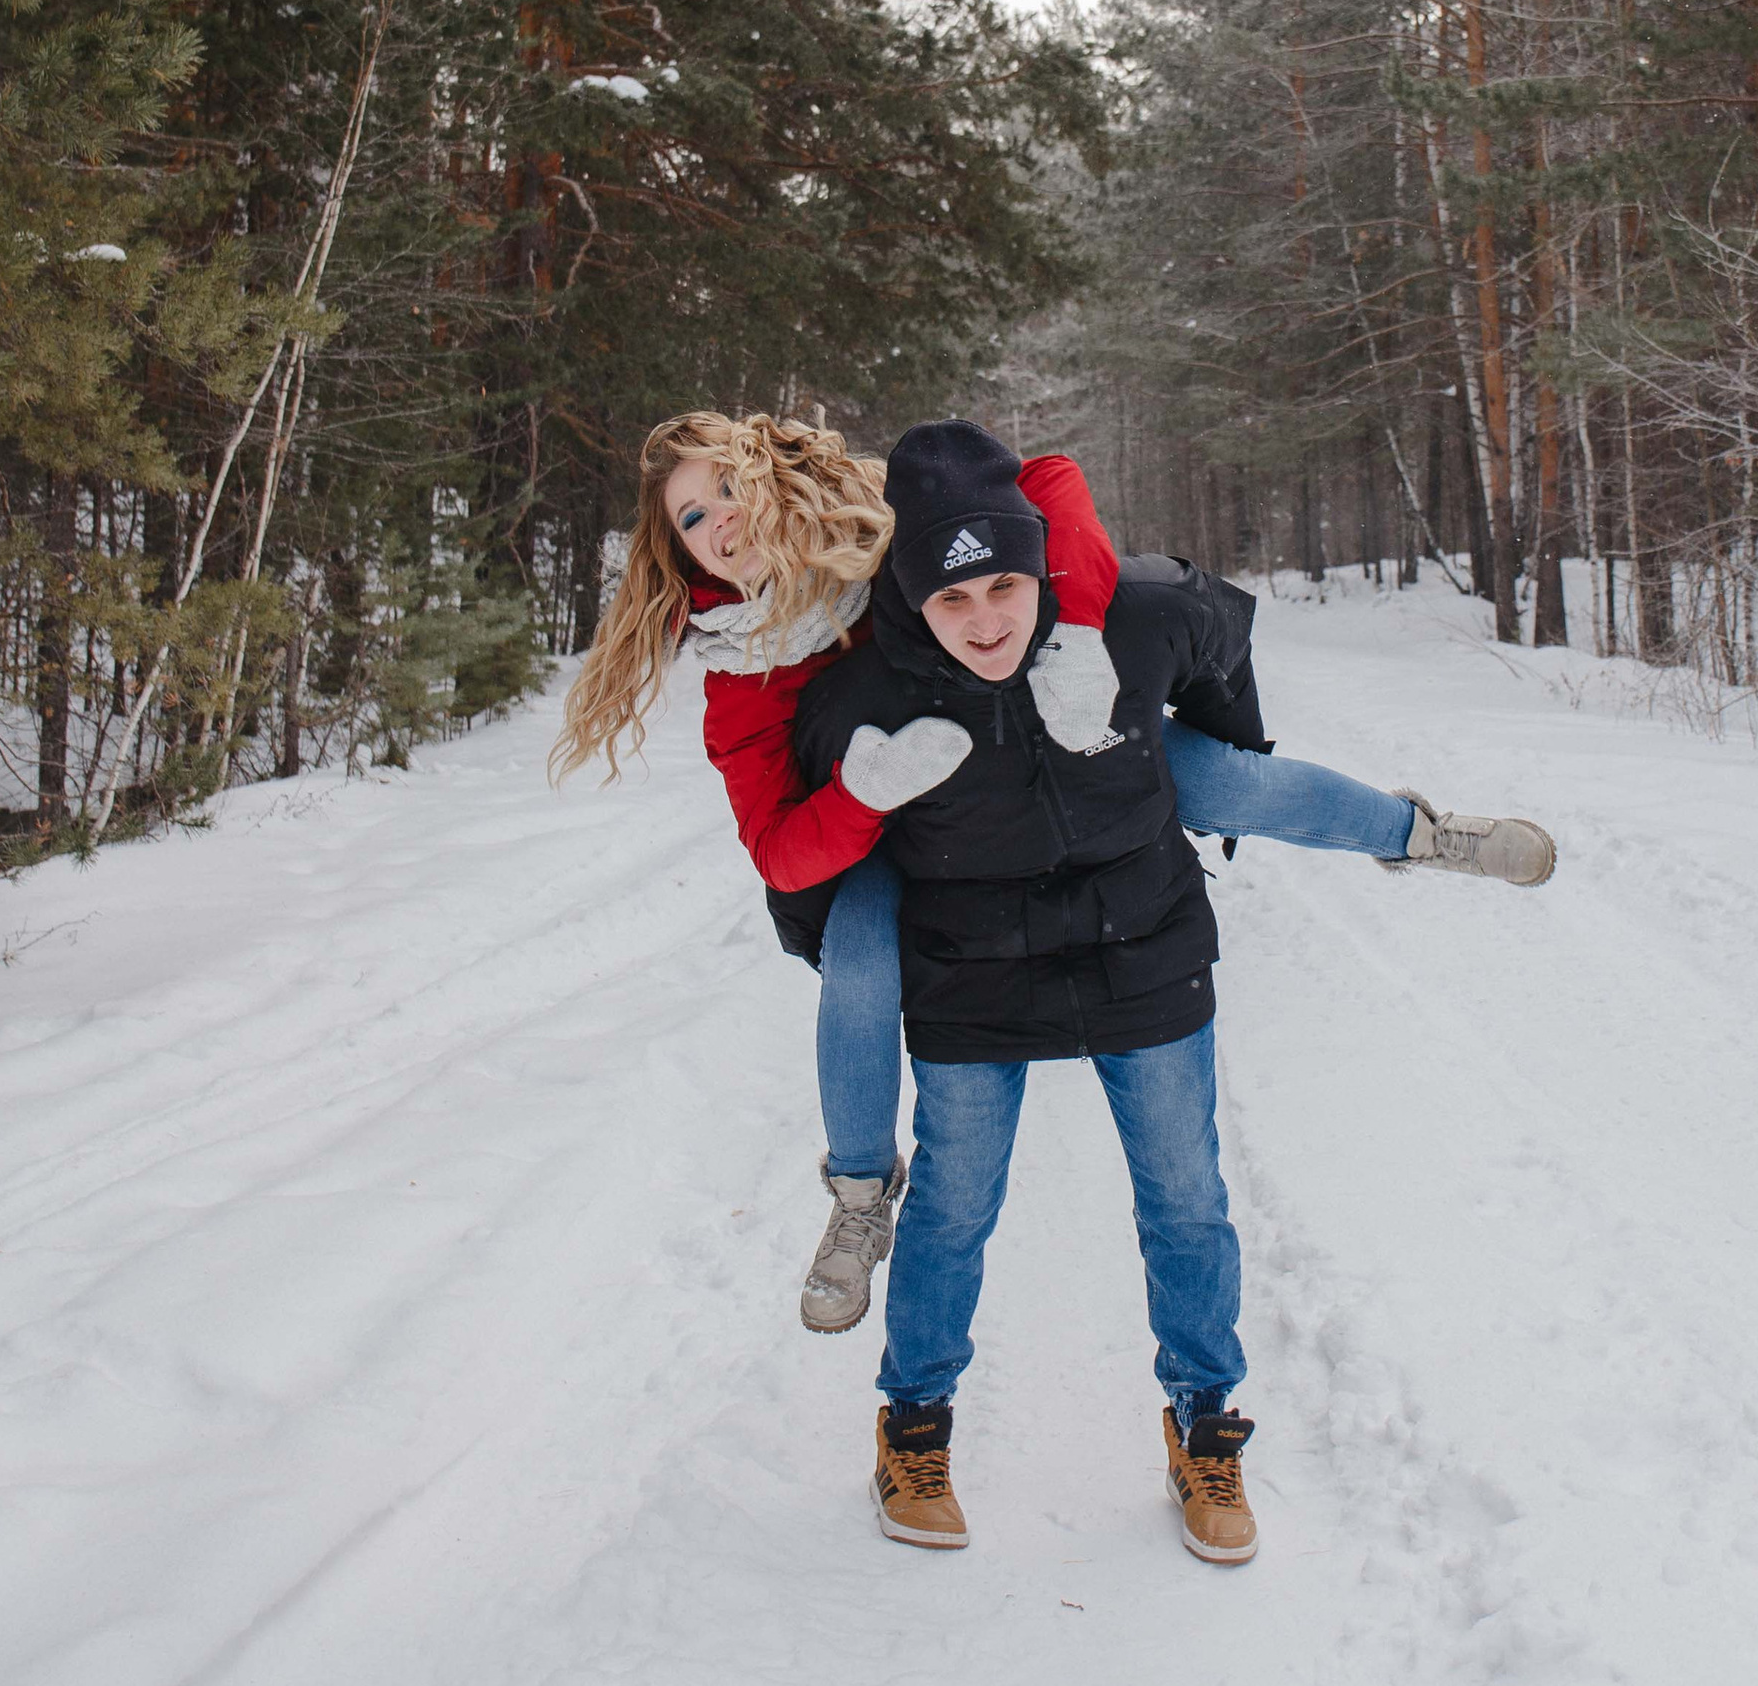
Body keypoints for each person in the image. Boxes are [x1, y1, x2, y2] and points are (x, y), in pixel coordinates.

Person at [555, 413, 1556, 1344]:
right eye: (692, 517)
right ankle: (860, 1198)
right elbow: (778, 850)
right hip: (899, 828)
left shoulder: (880, 527)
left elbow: (1050, 481)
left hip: (1040, 731)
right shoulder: (741, 680)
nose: (720, 521)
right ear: (679, 553)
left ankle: (1419, 833)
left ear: (774, 478)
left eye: (727, 488)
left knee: (1220, 782)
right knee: (857, 964)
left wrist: (1072, 630)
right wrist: (863, 795)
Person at [791, 420, 1555, 1564]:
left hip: (1140, 946)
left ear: (1037, 568)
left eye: (1005, 586)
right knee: (951, 1209)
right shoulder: (865, 700)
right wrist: (839, 954)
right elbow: (812, 852)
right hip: (973, 979)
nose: (987, 620)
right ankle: (913, 1424)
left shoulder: (1130, 620)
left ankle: (1204, 1421)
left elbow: (1223, 643)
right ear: (911, 598)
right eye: (953, 600)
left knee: (1186, 1199)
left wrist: (1212, 744)